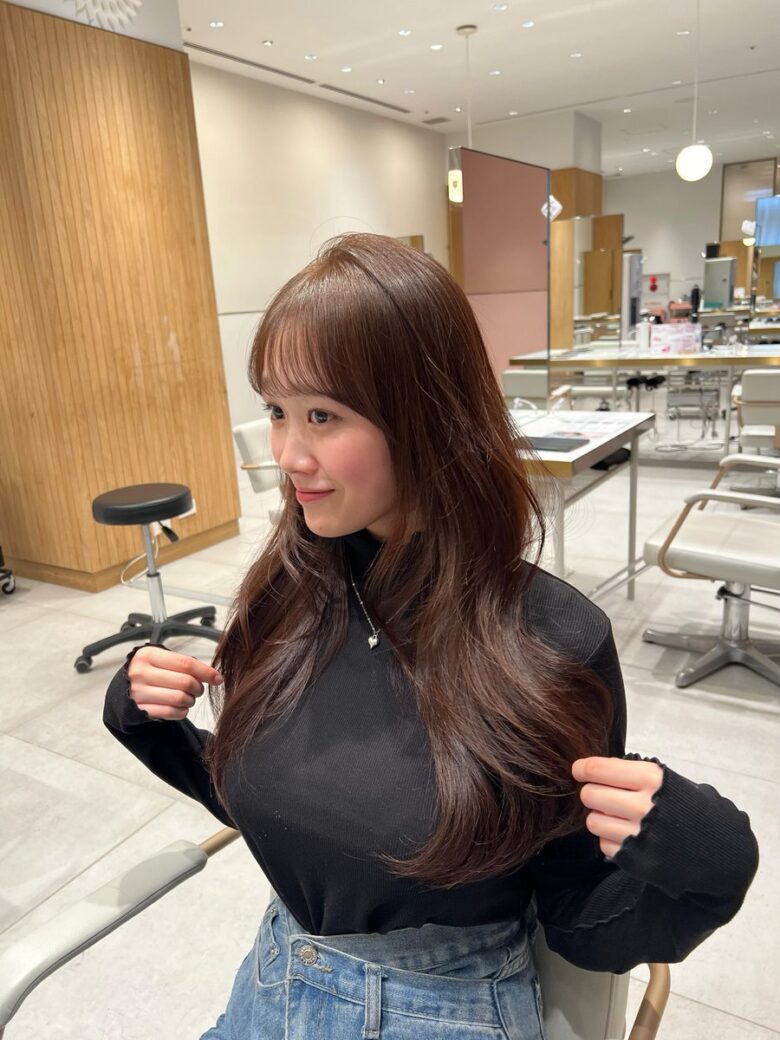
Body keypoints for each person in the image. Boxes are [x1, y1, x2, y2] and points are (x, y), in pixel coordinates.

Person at [103, 233, 759, 1039]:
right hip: (272, 987)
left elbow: (577, 919)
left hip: (443, 1012)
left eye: (322, 416)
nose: (288, 455)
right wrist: (144, 719)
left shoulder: (550, 641)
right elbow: (287, 808)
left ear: (425, 417)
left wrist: (707, 866)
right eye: (276, 412)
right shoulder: (290, 595)